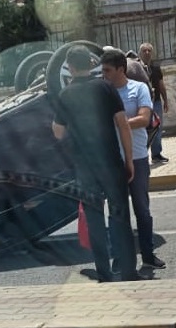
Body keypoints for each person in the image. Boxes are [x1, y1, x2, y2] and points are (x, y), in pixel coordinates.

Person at [51, 45, 140, 282]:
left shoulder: (65, 95)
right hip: (111, 162)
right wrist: (129, 160)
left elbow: (58, 133)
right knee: (120, 216)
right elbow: (123, 125)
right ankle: (129, 271)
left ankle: (104, 273)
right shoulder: (106, 87)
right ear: (91, 64)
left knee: (94, 220)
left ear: (70, 67)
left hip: (85, 167)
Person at [102, 48, 166, 269]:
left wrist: (119, 124)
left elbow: (144, 119)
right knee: (117, 212)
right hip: (112, 160)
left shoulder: (139, 88)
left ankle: (148, 255)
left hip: (137, 156)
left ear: (121, 69)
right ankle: (120, 258)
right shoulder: (103, 92)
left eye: (108, 70)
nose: (104, 74)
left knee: (142, 209)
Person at [138, 42, 169, 163]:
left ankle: (156, 154)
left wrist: (165, 100)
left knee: (157, 128)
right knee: (142, 130)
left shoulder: (156, 68)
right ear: (140, 53)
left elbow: (161, 85)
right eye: (144, 51)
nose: (147, 53)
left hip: (155, 102)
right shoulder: (137, 68)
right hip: (142, 104)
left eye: (149, 51)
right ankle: (142, 155)